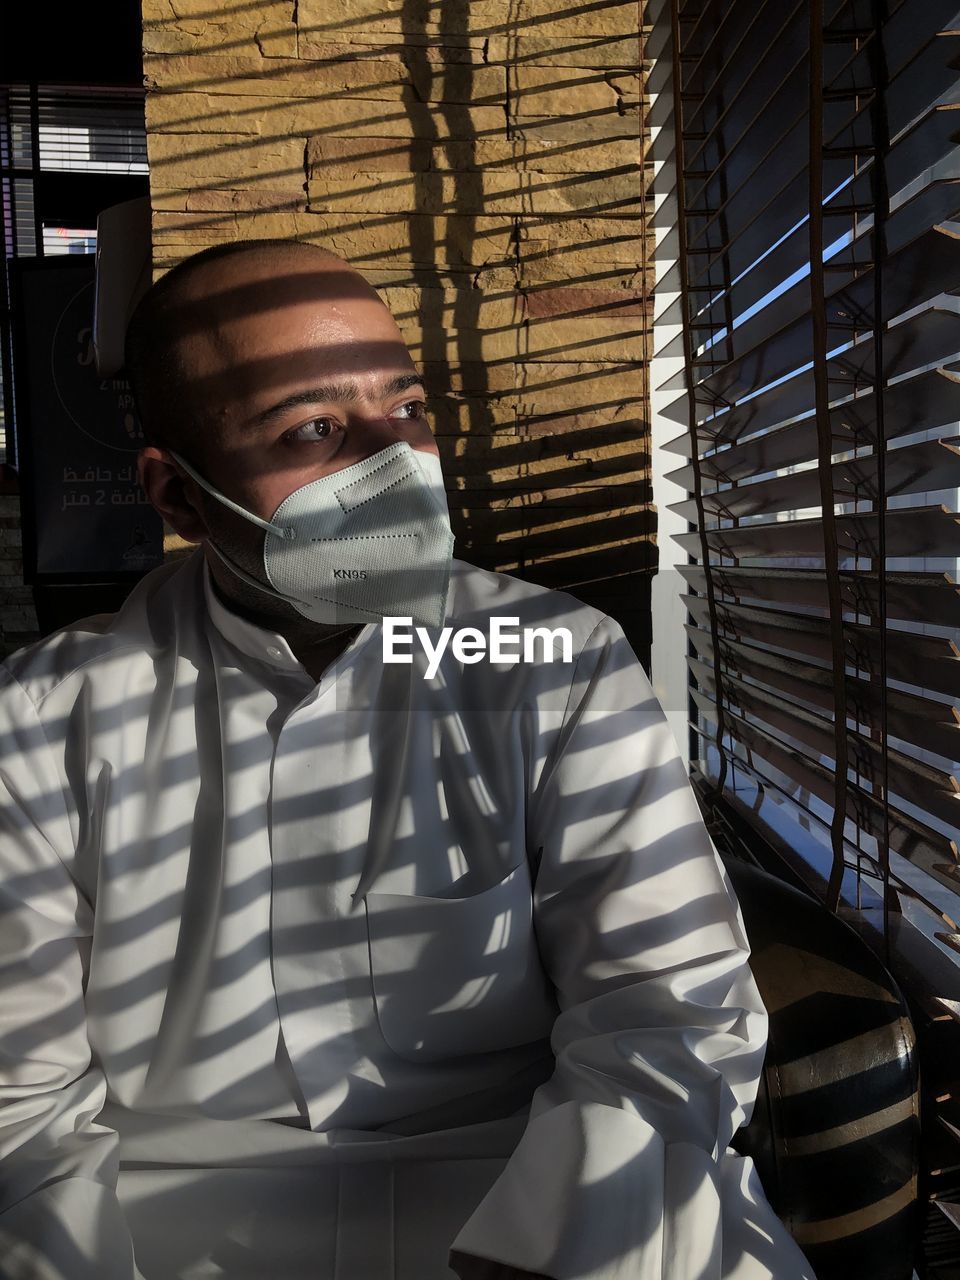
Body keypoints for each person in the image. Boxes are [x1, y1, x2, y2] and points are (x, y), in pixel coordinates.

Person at [0, 239, 816, 1280]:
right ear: (178, 498)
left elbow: (669, 1002)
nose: (396, 461)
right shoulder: (42, 716)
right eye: (315, 428)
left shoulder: (554, 660)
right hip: (156, 1209)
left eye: (407, 408)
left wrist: (560, 1244)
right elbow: (19, 1101)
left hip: (538, 1178)